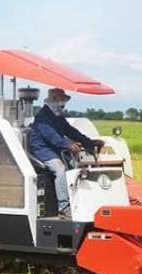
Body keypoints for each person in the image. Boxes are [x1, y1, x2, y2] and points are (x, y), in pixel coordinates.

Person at [28, 88, 104, 218]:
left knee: (75, 167)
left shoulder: (58, 117)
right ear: (52, 101)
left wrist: (89, 143)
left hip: (54, 149)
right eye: (59, 101)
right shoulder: (42, 117)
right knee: (60, 169)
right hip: (42, 149)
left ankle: (78, 202)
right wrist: (67, 145)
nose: (62, 104)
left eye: (63, 101)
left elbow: (71, 131)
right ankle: (63, 207)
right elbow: (51, 135)